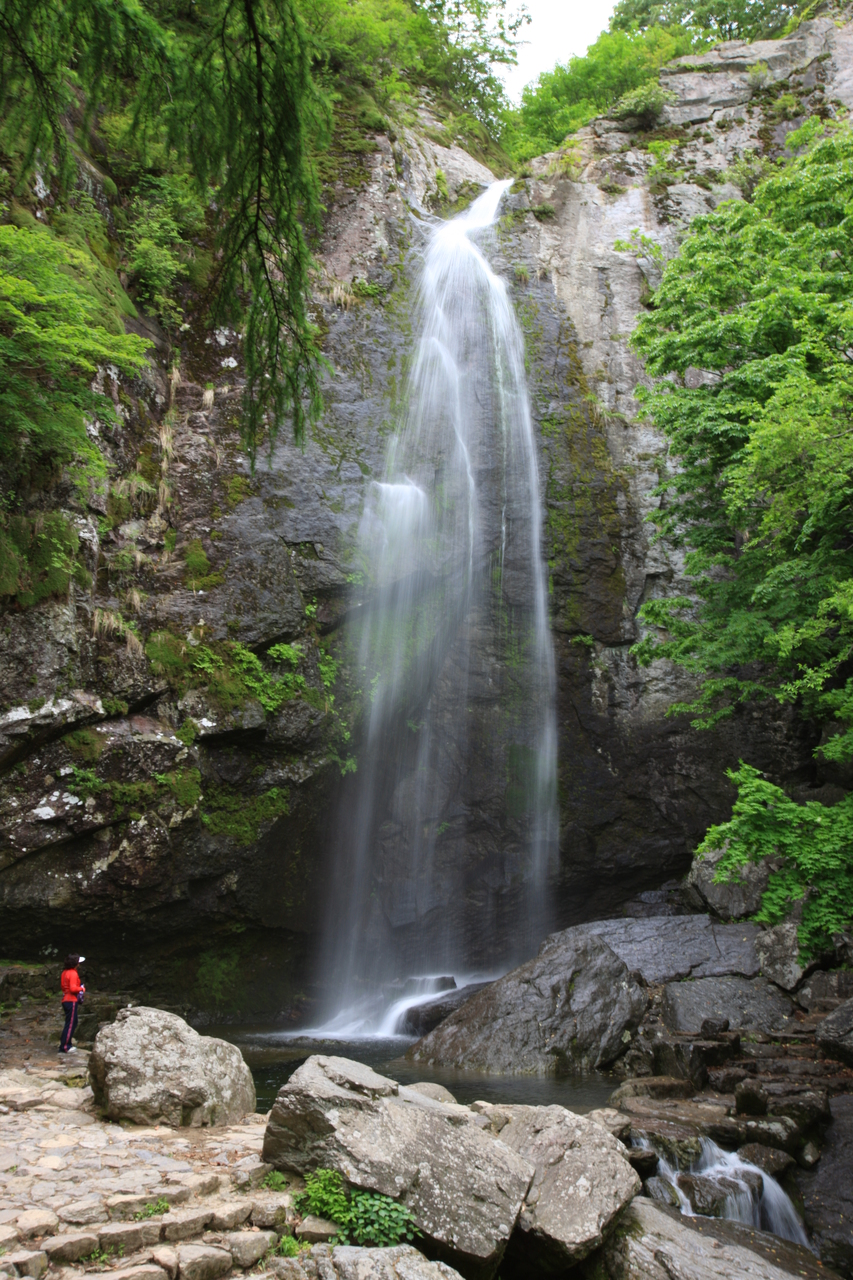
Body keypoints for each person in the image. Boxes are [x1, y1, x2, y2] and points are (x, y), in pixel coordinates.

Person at [59, 954, 86, 1054]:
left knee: (71, 1022)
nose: (79, 964)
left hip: (65, 999)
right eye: (78, 962)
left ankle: (66, 1044)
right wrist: (81, 988)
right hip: (71, 1000)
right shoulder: (73, 973)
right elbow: (73, 988)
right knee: (71, 1024)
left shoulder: (64, 972)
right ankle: (65, 1046)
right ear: (75, 964)